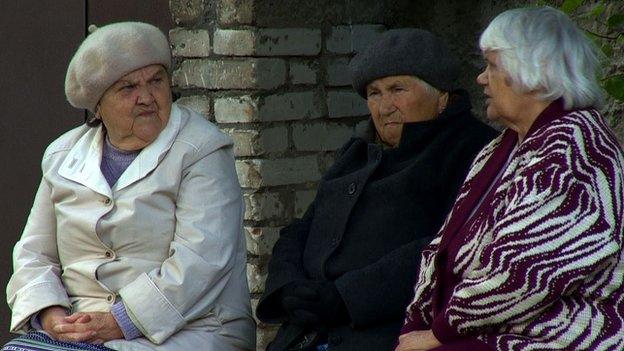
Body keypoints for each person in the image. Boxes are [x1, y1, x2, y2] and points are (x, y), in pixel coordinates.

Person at [3, 22, 255, 351]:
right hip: (83, 329)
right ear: (98, 104)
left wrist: (120, 321)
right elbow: (34, 254)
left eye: (156, 81)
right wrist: (51, 316)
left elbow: (201, 263)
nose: (147, 97)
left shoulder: (201, 149)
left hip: (191, 329)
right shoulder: (62, 156)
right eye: (127, 88)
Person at [396, 7, 624, 351]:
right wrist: (418, 320)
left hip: (558, 336)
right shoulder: (503, 146)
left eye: (492, 65)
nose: (481, 79)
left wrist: (436, 335)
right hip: (485, 329)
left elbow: (524, 272)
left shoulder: (576, 148)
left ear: (533, 70)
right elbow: (442, 250)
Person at [255, 28, 496, 351]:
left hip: (386, 335)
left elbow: (452, 245)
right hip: (308, 334)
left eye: (398, 89)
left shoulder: (473, 149)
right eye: (374, 93)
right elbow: (301, 229)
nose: (385, 107)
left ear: (441, 95)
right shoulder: (356, 153)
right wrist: (289, 288)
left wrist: (347, 297)